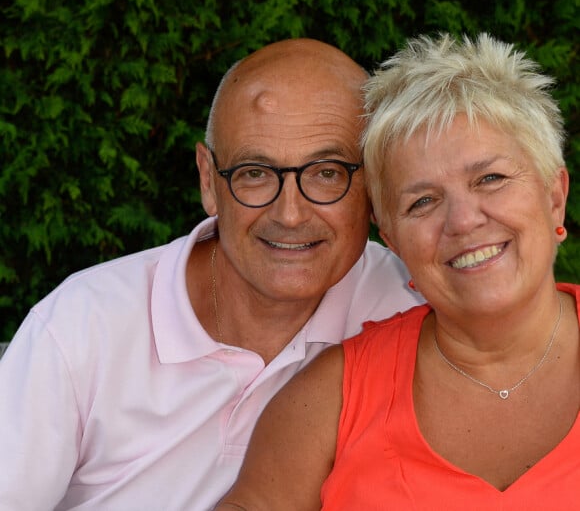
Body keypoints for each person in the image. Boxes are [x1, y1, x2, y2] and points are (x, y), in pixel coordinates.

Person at [0, 38, 422, 510]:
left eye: (326, 173)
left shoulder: (412, 311)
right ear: (208, 180)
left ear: (374, 183)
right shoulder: (82, 325)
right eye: (255, 172)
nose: (289, 213)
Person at [215, 33, 579, 511]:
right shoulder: (328, 400)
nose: (464, 220)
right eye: (422, 201)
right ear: (391, 240)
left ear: (555, 196)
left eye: (490, 179)